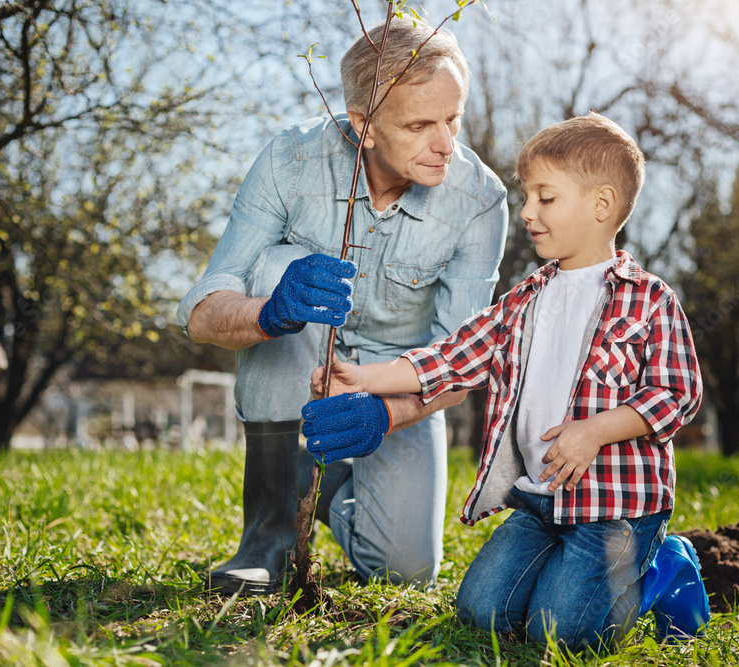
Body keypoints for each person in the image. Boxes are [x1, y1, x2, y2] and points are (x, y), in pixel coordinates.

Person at [303, 113, 706, 649]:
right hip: (542, 502)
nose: (527, 213)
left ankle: (659, 569)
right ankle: (563, 572)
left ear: (601, 205)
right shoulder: (524, 301)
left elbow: (678, 393)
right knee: (480, 611)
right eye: (527, 198)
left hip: (617, 512)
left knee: (563, 636)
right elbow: (451, 359)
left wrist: (595, 431)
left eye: (546, 198)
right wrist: (363, 378)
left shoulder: (650, 300)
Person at [175, 17, 508, 596]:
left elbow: (464, 358)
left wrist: (386, 412)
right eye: (420, 125)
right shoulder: (289, 161)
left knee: (405, 571)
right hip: (295, 358)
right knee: (279, 265)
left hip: (397, 379)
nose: (446, 144)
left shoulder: (479, 201)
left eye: (453, 119)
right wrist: (268, 312)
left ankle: (324, 485)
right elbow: (202, 311)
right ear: (364, 126)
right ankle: (267, 538)